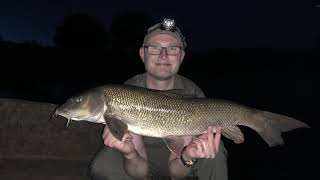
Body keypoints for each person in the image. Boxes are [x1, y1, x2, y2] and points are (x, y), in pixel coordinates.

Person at [90, 18, 228, 180]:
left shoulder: (191, 91)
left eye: (172, 49)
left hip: (179, 162)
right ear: (143, 54)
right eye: (155, 48)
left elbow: (176, 173)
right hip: (141, 160)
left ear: (181, 56)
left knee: (215, 152)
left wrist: (188, 156)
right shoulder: (127, 91)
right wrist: (130, 154)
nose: (163, 55)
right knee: (103, 165)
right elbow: (139, 172)